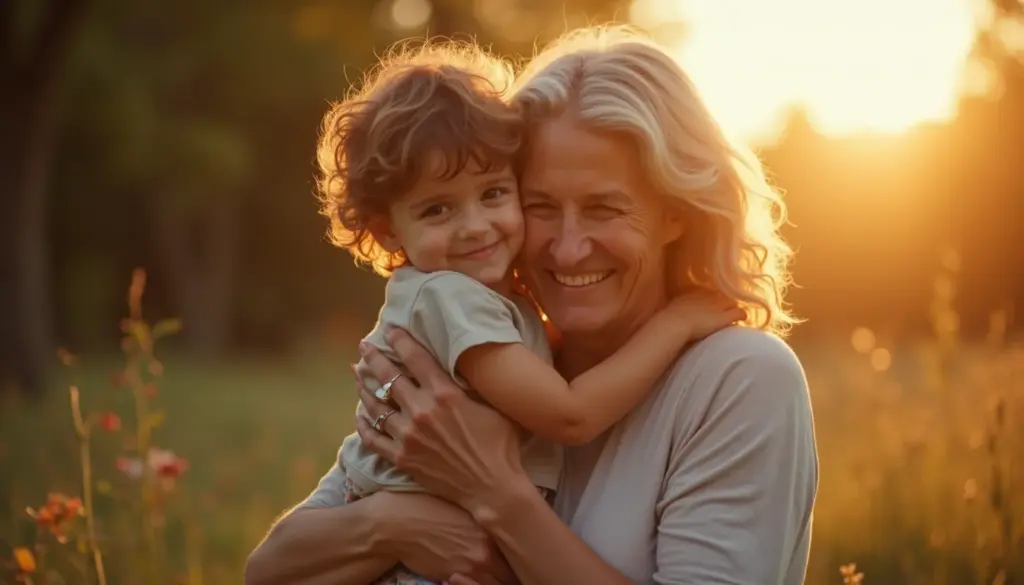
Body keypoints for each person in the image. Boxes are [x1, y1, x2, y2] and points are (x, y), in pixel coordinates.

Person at [245, 25, 818, 585]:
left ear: (677, 213)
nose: (568, 249)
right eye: (541, 205)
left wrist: (494, 495)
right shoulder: (493, 364)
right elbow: (270, 570)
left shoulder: (740, 378)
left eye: (604, 208)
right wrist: (393, 526)